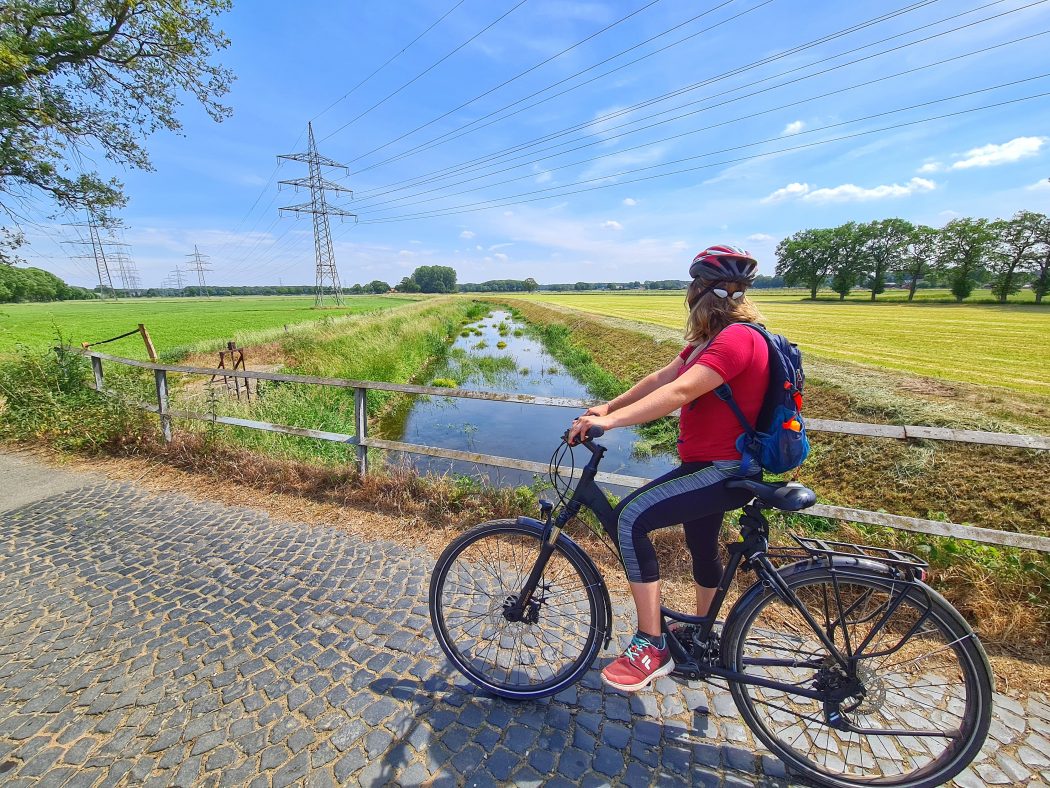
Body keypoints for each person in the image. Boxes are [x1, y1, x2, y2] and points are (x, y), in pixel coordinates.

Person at [566, 244, 769, 693]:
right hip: (710, 466)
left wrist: (610, 422)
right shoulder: (710, 341)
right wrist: (609, 404)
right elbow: (663, 377)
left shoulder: (737, 338)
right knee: (702, 544)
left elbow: (679, 393)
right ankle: (701, 632)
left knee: (630, 519)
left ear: (699, 294)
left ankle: (651, 644)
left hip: (721, 469)